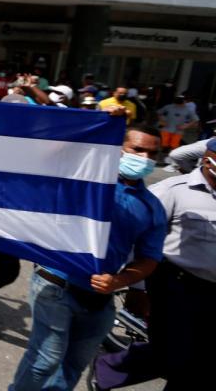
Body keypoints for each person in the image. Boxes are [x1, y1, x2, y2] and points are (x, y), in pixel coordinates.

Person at [10, 126, 166, 391]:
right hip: (56, 284)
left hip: (100, 299)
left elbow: (148, 259)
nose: (144, 159)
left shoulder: (152, 207)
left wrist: (120, 280)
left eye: (152, 153)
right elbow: (48, 158)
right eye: (137, 150)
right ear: (119, 148)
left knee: (73, 366)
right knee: (45, 360)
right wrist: (100, 126)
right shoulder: (86, 181)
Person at [91, 138, 216, 390]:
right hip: (177, 285)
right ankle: (108, 369)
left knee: (202, 362)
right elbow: (140, 240)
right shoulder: (174, 190)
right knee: (174, 357)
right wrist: (136, 287)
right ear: (208, 158)